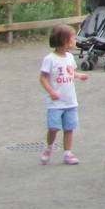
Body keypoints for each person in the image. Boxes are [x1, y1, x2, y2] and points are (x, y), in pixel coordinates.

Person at [38, 24, 88, 164]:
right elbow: (42, 78)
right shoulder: (50, 59)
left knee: (69, 128)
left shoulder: (70, 58)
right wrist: (51, 91)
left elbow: (70, 73)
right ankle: (49, 147)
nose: (74, 42)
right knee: (53, 128)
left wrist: (79, 75)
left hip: (70, 100)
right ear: (62, 41)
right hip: (55, 103)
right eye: (71, 39)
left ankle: (68, 153)